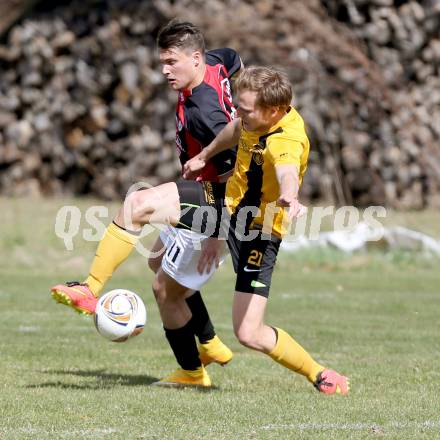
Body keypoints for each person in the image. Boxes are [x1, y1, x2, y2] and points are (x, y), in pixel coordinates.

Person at [53, 65, 349, 394]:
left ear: (274, 111)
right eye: (238, 105)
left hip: (257, 230)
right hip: (225, 202)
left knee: (249, 333)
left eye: (246, 109)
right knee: (139, 205)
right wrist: (204, 155)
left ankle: (319, 373)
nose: (238, 113)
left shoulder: (286, 142)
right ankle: (90, 288)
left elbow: (288, 172)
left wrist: (289, 196)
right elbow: (237, 129)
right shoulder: (255, 117)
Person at [51, 20, 243, 386]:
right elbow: (235, 61)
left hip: (221, 200)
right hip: (205, 189)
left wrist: (219, 230)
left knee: (137, 206)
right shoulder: (219, 63)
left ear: (196, 58)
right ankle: (210, 343)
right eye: (162, 62)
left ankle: (90, 289)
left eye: (172, 62)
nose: (165, 71)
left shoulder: (208, 114)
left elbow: (236, 175)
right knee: (157, 262)